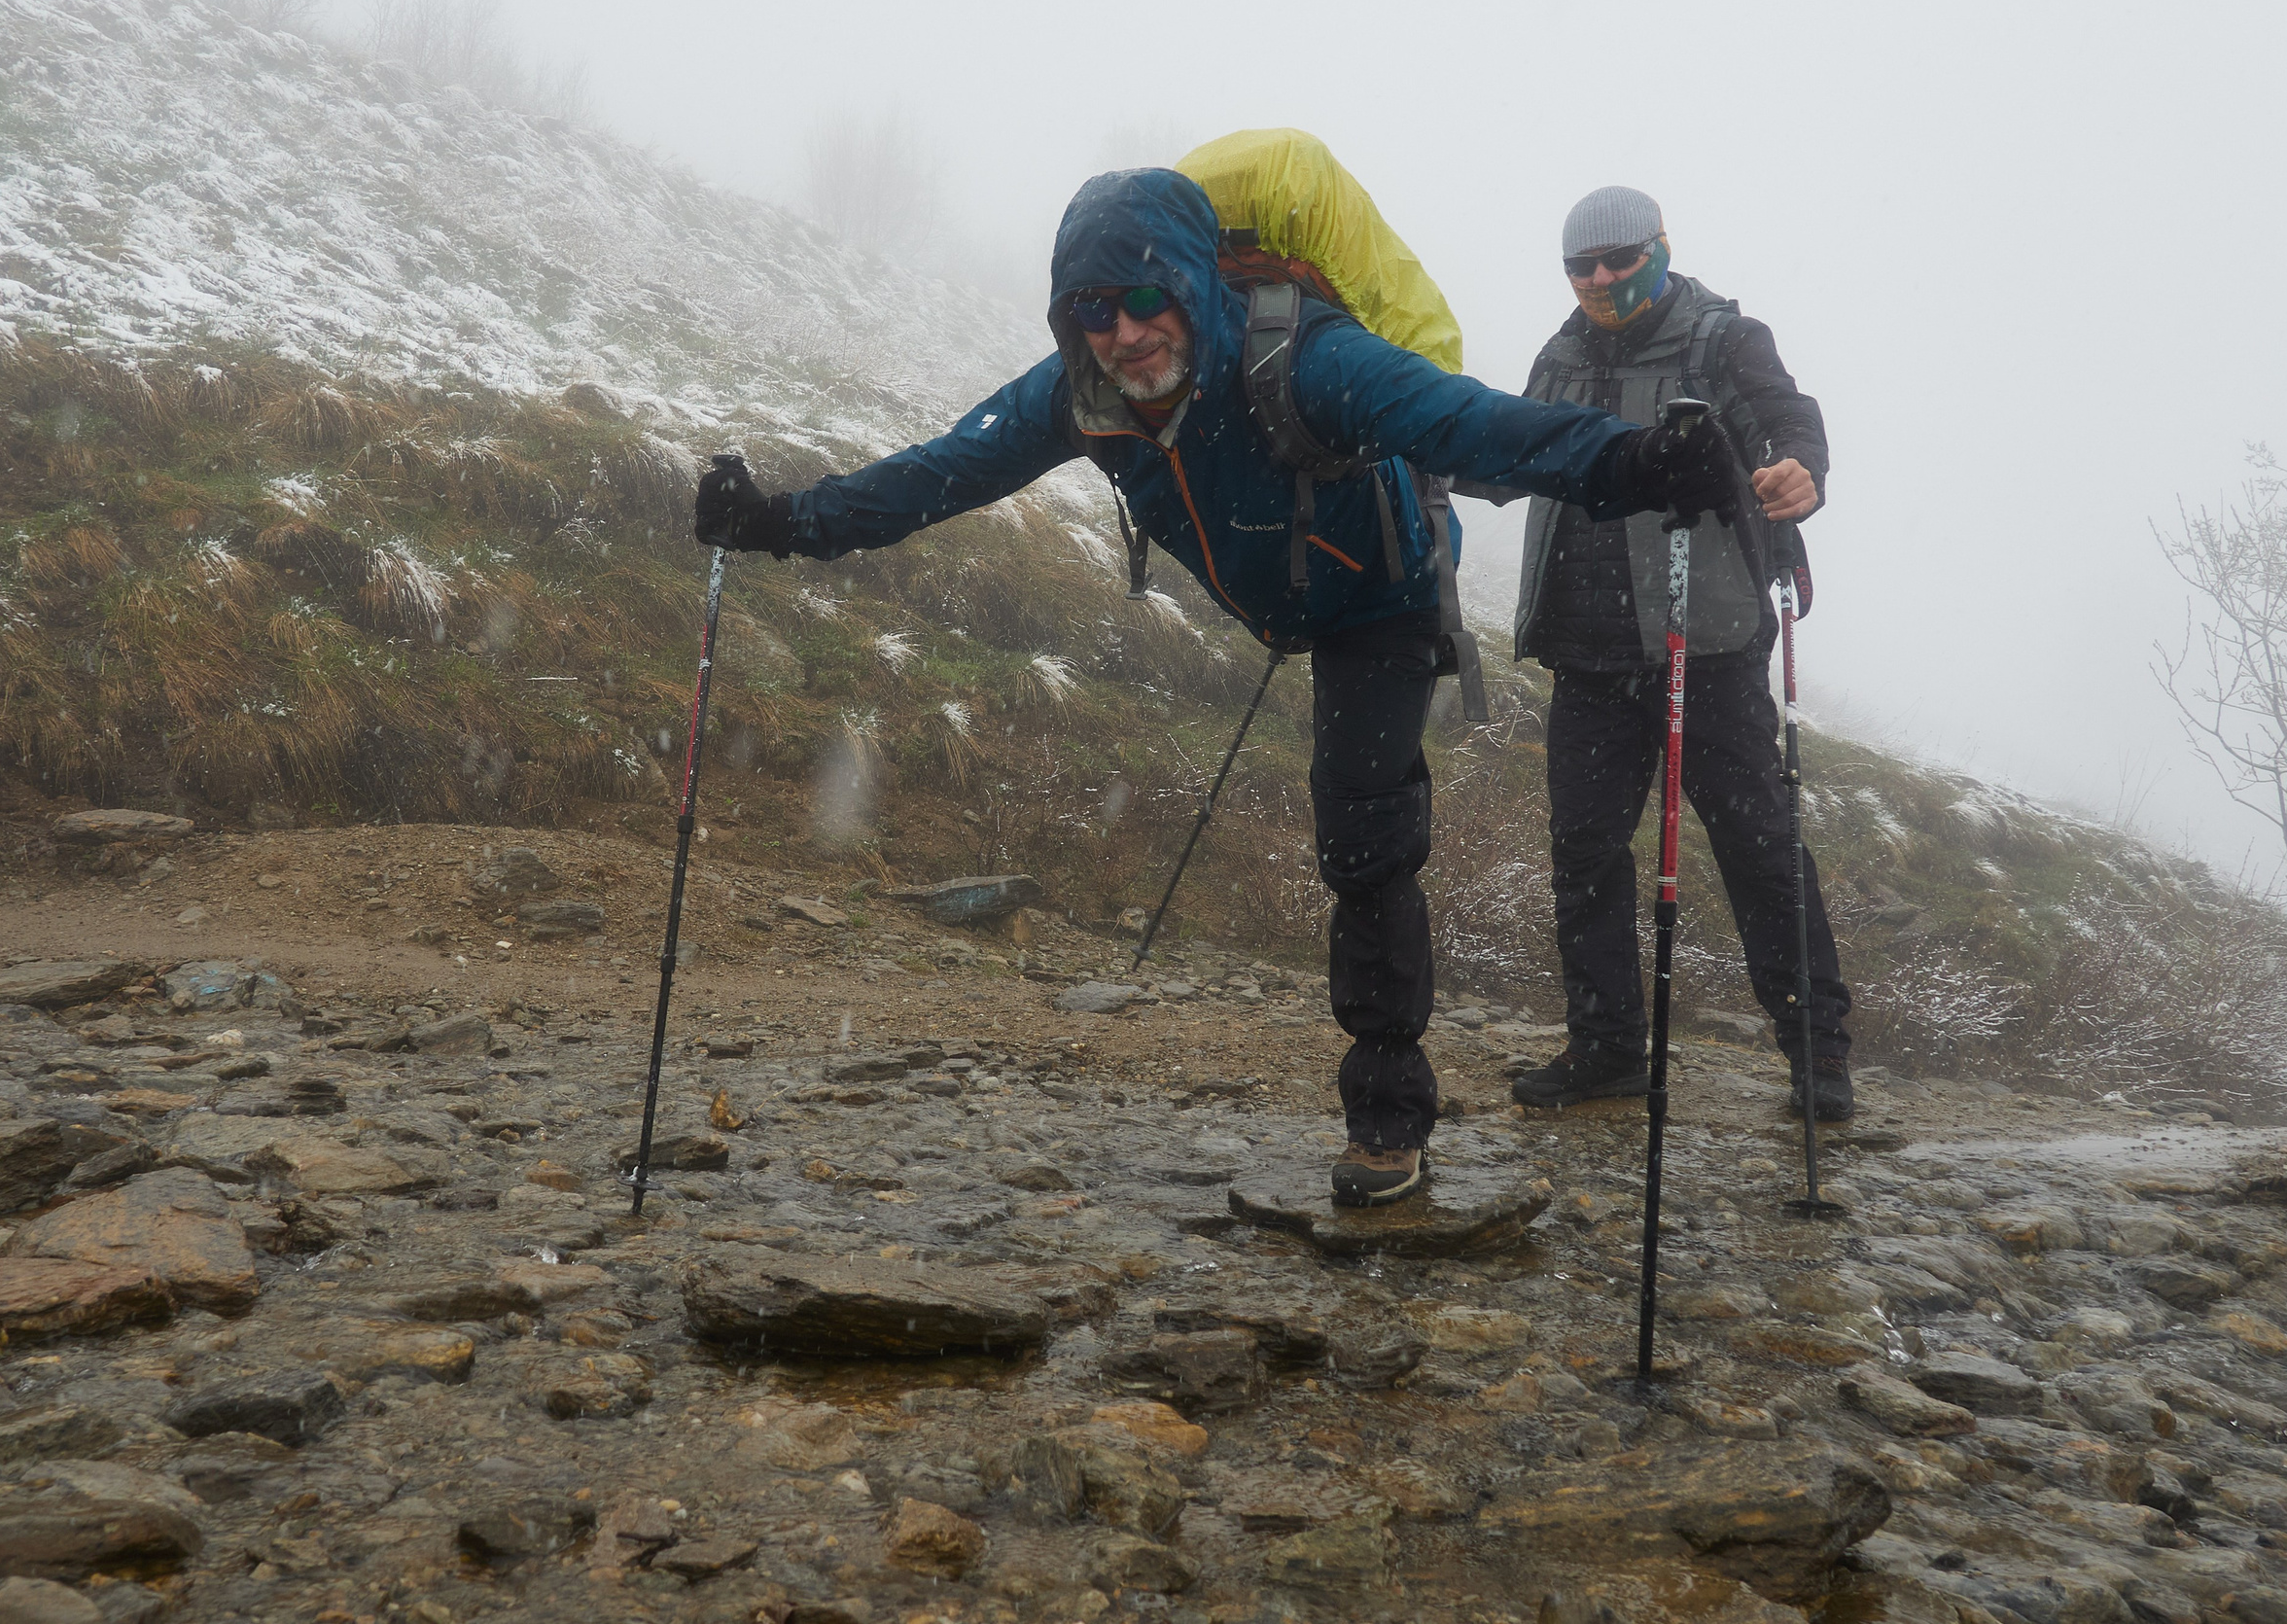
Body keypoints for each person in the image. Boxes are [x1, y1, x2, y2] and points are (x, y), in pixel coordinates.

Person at [692, 166, 1736, 1206]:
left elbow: (1473, 423)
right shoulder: (1081, 394)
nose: (1125, 330)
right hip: (1282, 591)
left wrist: (1637, 459)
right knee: (1354, 830)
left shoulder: (1309, 360)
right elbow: (939, 472)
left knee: (1363, 836)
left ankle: (1386, 1121)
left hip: (1381, 598)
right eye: (1091, 308)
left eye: (1147, 297)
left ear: (1193, 286)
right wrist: (780, 523)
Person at [1505, 186, 1853, 1120]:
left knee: (1759, 848)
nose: (1603, 279)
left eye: (1621, 259)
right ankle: (1607, 1045)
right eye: (1584, 267)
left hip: (1707, 642)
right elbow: (1516, 444)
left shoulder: (1724, 340)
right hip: (1588, 650)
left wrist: (1797, 469)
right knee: (1583, 854)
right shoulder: (1559, 354)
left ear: (1660, 248)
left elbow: (1791, 417)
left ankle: (1818, 1050)